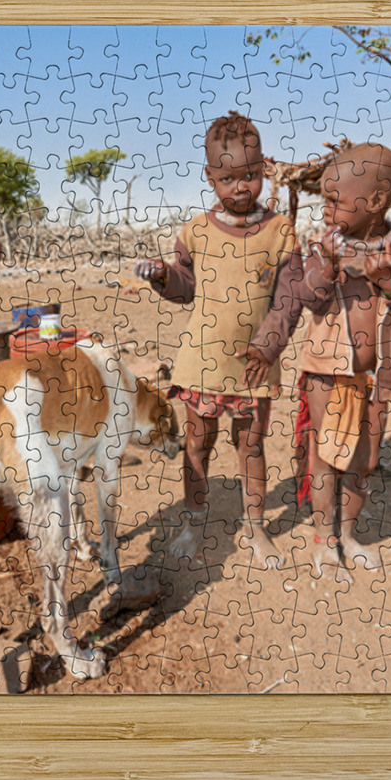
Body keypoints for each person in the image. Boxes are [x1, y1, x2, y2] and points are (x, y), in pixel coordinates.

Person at [244, 143, 391, 578]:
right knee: (325, 456)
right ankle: (323, 539)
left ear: (374, 202)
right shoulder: (321, 247)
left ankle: (349, 534)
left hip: (378, 378)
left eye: (335, 200)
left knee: (363, 461)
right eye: (324, 199)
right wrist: (267, 343)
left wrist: (390, 282)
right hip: (324, 372)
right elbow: (299, 298)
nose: (326, 209)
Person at [134, 111, 301, 569]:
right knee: (197, 445)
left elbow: (290, 297)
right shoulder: (196, 231)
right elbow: (185, 288)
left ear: (264, 169)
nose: (240, 186)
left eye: (250, 175)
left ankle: (256, 527)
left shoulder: (281, 232)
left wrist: (269, 344)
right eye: (228, 178)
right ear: (210, 177)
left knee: (251, 447)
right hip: (200, 365)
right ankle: (193, 522)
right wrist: (164, 276)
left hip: (253, 367)